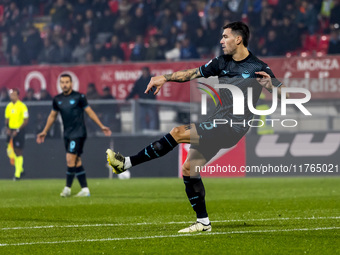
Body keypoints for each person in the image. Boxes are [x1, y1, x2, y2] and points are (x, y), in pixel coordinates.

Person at [106, 21, 285, 232]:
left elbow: (286, 96)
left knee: (177, 132)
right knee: (189, 169)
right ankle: (203, 222)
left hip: (232, 126)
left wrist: (271, 86)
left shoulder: (259, 67)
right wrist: (165, 77)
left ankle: (126, 163)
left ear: (238, 39)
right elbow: (192, 73)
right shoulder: (221, 62)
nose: (221, 40)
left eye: (225, 36)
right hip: (217, 122)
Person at [36, 74, 111, 197]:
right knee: (76, 161)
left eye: (67, 82)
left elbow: (90, 112)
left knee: (70, 159)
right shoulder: (57, 99)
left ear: (71, 83)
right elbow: (52, 116)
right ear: (60, 84)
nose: (64, 84)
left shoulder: (79, 97)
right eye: (62, 82)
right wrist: (45, 131)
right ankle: (85, 189)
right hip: (67, 134)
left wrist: (101, 125)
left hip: (78, 133)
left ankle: (67, 188)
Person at [5, 88, 29, 180]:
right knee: (10, 150)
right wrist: (7, 128)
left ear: (18, 96)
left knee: (18, 150)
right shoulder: (8, 106)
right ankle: (21, 169)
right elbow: (7, 119)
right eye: (11, 94)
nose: (12, 96)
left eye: (14, 94)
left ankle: (17, 174)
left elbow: (26, 120)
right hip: (11, 129)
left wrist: (17, 130)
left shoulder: (22, 106)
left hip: (19, 130)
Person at [126, 66, 159, 131]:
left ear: (148, 72)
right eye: (143, 71)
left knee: (152, 117)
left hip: (151, 102)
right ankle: (144, 131)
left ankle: (152, 131)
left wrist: (148, 97)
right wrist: (128, 97)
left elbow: (155, 90)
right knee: (142, 117)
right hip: (142, 103)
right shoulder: (139, 81)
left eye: (145, 71)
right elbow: (134, 90)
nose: (144, 73)